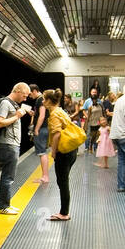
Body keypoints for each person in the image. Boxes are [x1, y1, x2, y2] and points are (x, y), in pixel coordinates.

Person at [0, 82, 32, 215]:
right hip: (8, 144)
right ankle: (3, 206)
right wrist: (17, 116)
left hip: (12, 143)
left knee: (9, 176)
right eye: (24, 96)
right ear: (18, 91)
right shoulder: (6, 103)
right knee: (8, 176)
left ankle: (6, 205)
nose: (25, 99)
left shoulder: (12, 104)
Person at [43, 89, 78, 221]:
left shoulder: (54, 115)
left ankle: (64, 213)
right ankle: (64, 211)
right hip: (71, 150)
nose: (43, 101)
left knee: (62, 182)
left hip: (63, 152)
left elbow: (57, 134)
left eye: (44, 99)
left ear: (48, 101)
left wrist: (53, 151)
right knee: (63, 181)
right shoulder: (61, 111)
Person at [29, 84, 51, 185]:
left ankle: (45, 177)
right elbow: (41, 114)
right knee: (42, 152)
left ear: (34, 91)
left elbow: (42, 116)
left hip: (41, 129)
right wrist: (34, 114)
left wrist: (36, 129)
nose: (29, 96)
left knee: (42, 153)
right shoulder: (42, 99)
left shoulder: (40, 99)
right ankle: (45, 176)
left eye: (30, 94)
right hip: (44, 128)